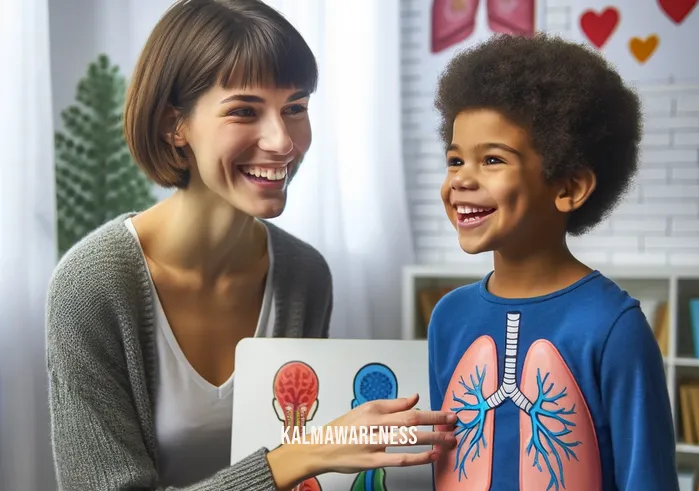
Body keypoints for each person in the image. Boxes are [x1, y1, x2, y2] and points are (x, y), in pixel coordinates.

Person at [45, 0, 457, 490]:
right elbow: (298, 459)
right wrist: (301, 455)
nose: (282, 141)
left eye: (295, 108)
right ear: (172, 125)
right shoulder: (90, 288)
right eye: (244, 110)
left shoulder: (303, 275)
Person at [426, 33, 679, 491]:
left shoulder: (612, 325)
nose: (461, 179)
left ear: (569, 188)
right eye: (455, 159)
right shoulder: (449, 317)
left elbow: (648, 477)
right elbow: (444, 464)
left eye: (493, 159)